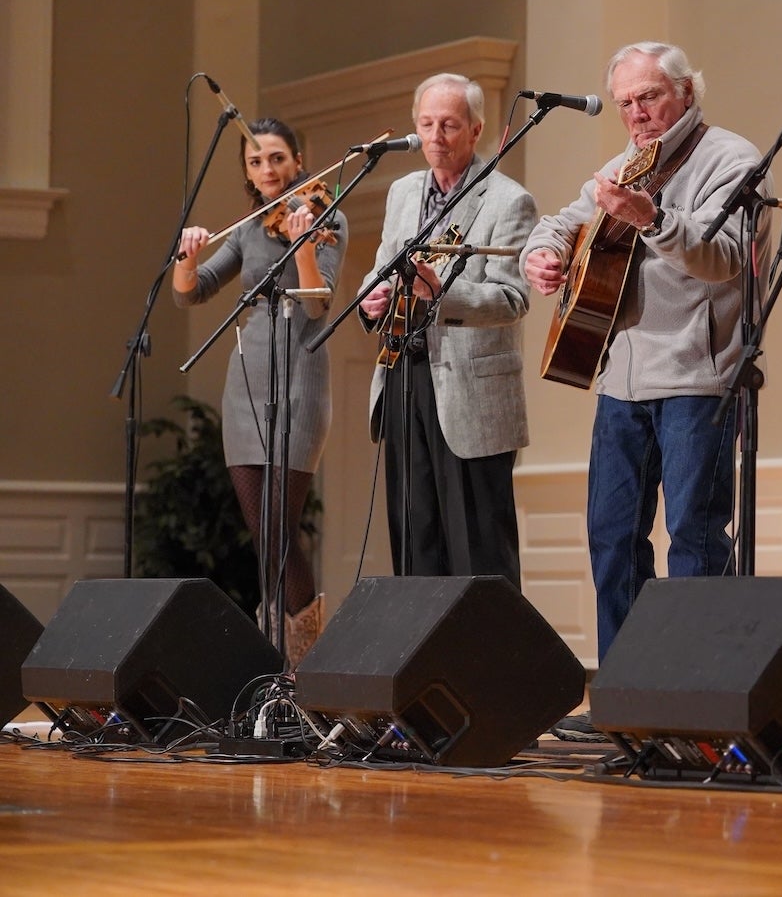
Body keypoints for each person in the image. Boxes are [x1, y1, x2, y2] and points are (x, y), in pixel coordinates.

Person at [523, 42, 769, 741]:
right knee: (612, 535)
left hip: (700, 376)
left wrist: (651, 217)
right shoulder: (619, 166)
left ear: (686, 93)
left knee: (694, 534)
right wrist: (540, 255)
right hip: (622, 380)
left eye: (650, 97)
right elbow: (559, 222)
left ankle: (692, 694)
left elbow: (725, 260)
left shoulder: (733, 159)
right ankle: (627, 693)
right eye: (627, 101)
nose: (636, 112)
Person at [173, 117, 348, 666]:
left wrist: (300, 243)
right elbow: (191, 294)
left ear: (298, 160)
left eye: (277, 158)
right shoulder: (249, 228)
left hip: (299, 379)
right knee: (261, 534)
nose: (267, 170)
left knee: (279, 531)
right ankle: (275, 669)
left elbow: (318, 301)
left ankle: (306, 669)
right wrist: (188, 255)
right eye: (255, 161)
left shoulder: (329, 218)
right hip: (245, 384)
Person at [359, 73, 539, 581]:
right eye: (427, 124)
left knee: (478, 551)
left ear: (475, 130)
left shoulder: (508, 200)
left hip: (471, 389)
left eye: (449, 125)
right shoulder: (401, 192)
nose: (436, 136)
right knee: (415, 539)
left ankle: (491, 660)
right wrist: (371, 299)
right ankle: (424, 661)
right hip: (403, 374)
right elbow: (380, 268)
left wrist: (442, 293)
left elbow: (512, 298)